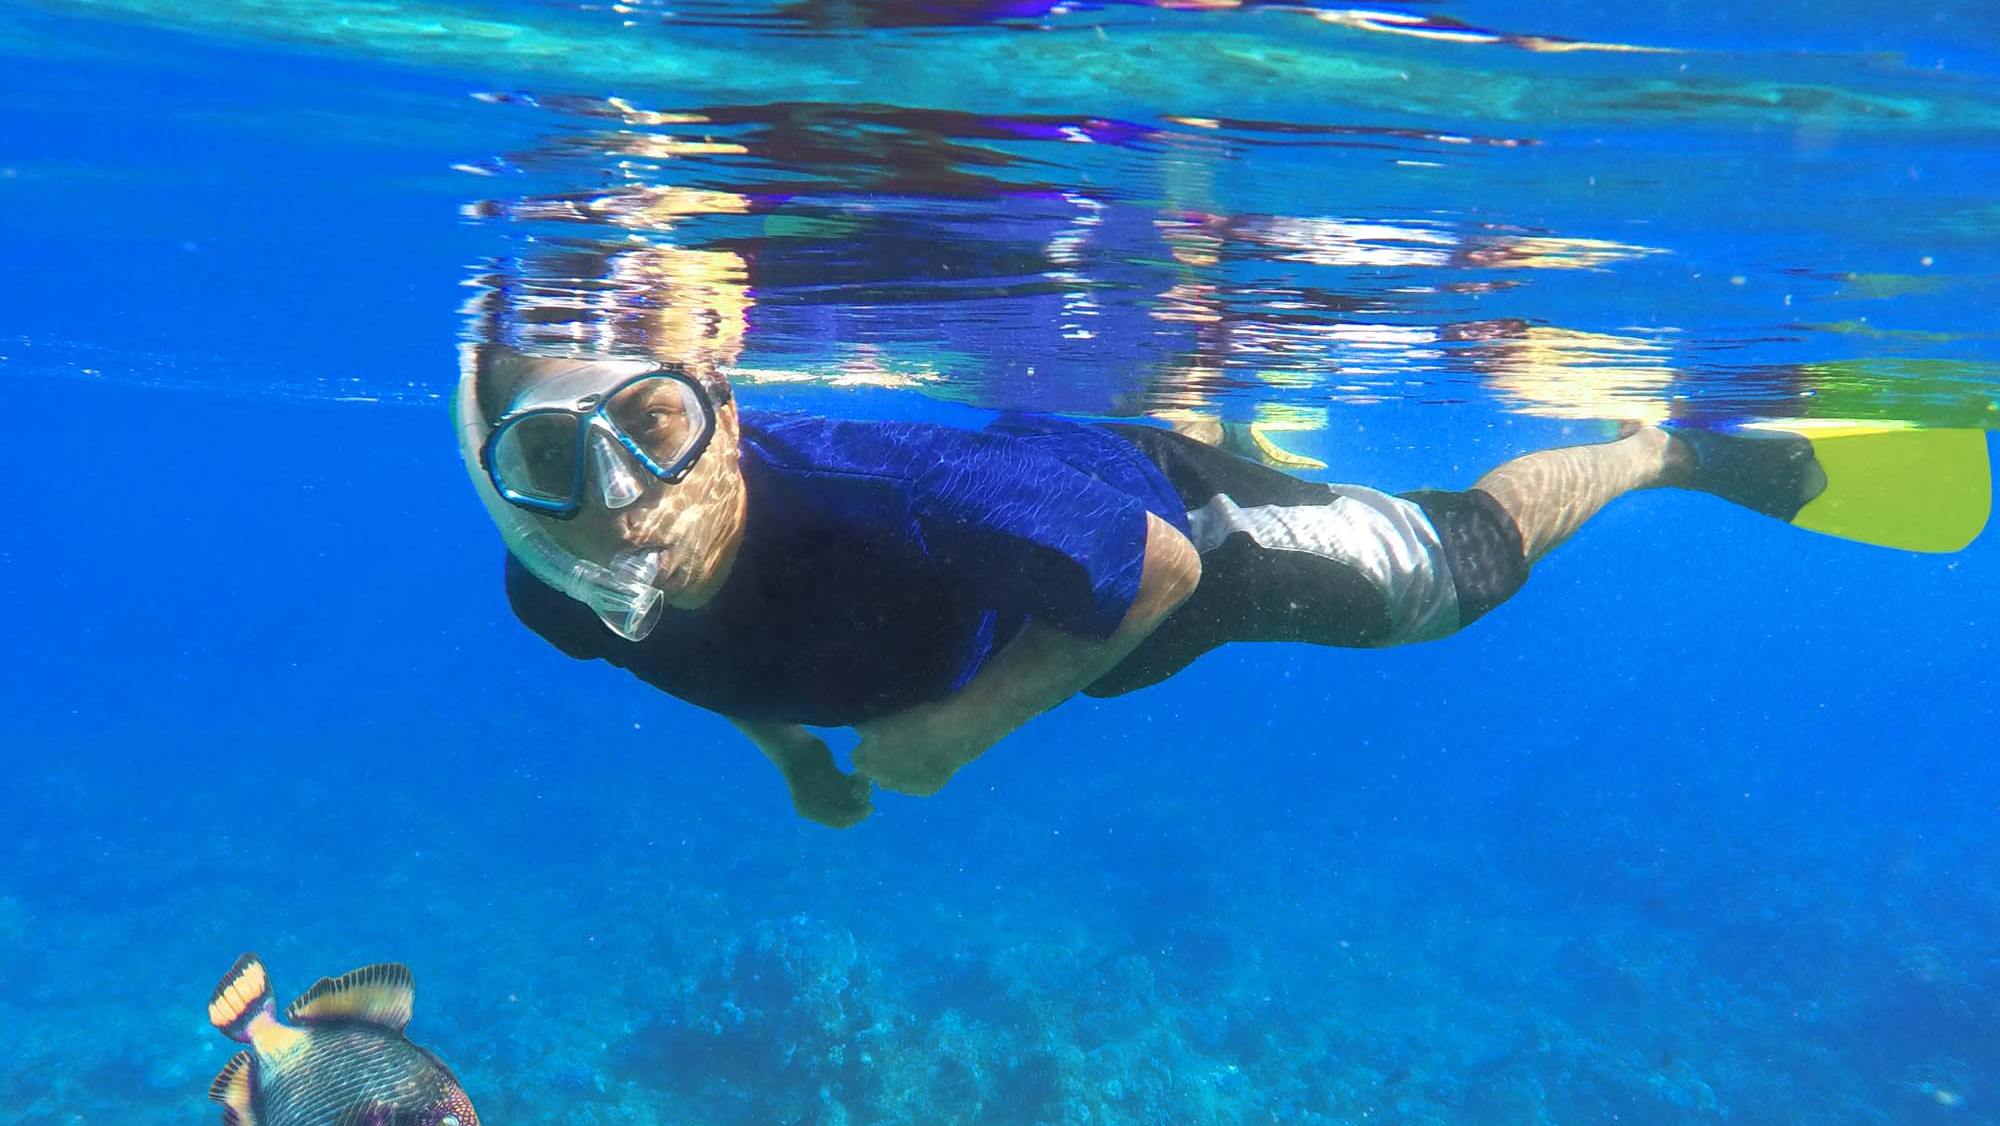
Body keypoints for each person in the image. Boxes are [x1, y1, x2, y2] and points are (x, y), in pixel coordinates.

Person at [453, 345, 1832, 827]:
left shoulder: (901, 501)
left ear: (724, 404)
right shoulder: (564, 582)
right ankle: (1211, 399)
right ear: (500, 482)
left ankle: (1658, 447)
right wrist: (791, 753)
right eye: (552, 454)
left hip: (1157, 537)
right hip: (1031, 540)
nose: (623, 494)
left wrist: (958, 730)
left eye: (653, 424)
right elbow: (684, 650)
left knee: (1448, 578)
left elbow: (1155, 569)